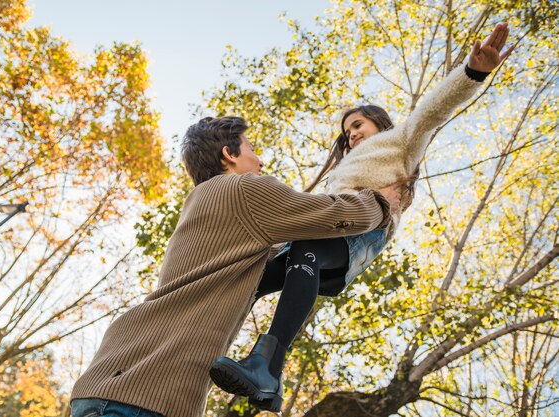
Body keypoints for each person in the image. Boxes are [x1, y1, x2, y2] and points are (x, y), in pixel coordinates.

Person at [209, 23, 515, 412]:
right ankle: (263, 376)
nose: (351, 134)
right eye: (346, 131)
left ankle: (265, 364)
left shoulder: (401, 140)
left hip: (363, 231)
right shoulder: (344, 168)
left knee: (307, 249)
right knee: (253, 277)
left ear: (378, 123)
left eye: (357, 125)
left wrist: (473, 73)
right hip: (327, 230)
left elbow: (431, 111)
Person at [70, 116, 402, 417]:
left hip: (108, 381)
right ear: (229, 154)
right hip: (141, 395)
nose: (261, 160)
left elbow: (277, 260)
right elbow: (335, 216)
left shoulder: (201, 203)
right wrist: (381, 202)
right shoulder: (244, 189)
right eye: (253, 150)